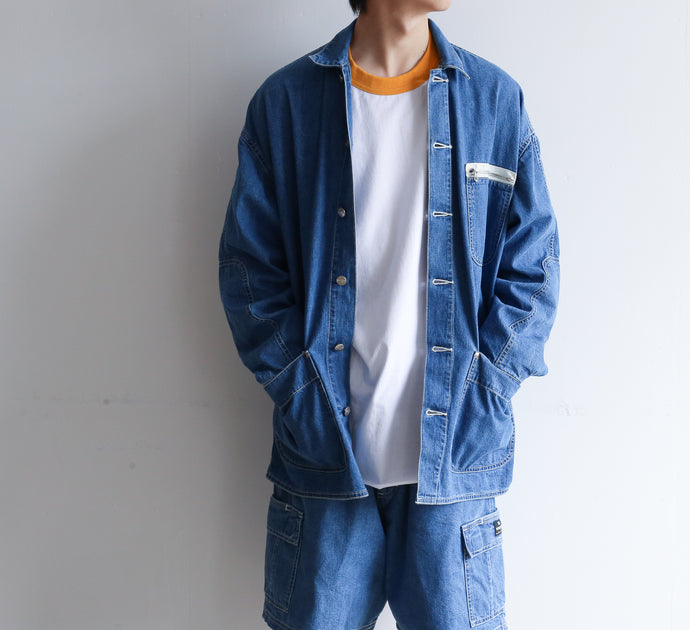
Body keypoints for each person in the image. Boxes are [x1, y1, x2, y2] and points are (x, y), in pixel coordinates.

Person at [218, 1, 560, 628]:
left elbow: (534, 270)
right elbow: (249, 274)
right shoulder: (287, 103)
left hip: (453, 464)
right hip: (327, 460)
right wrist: (300, 393)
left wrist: (487, 388)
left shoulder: (492, 100)